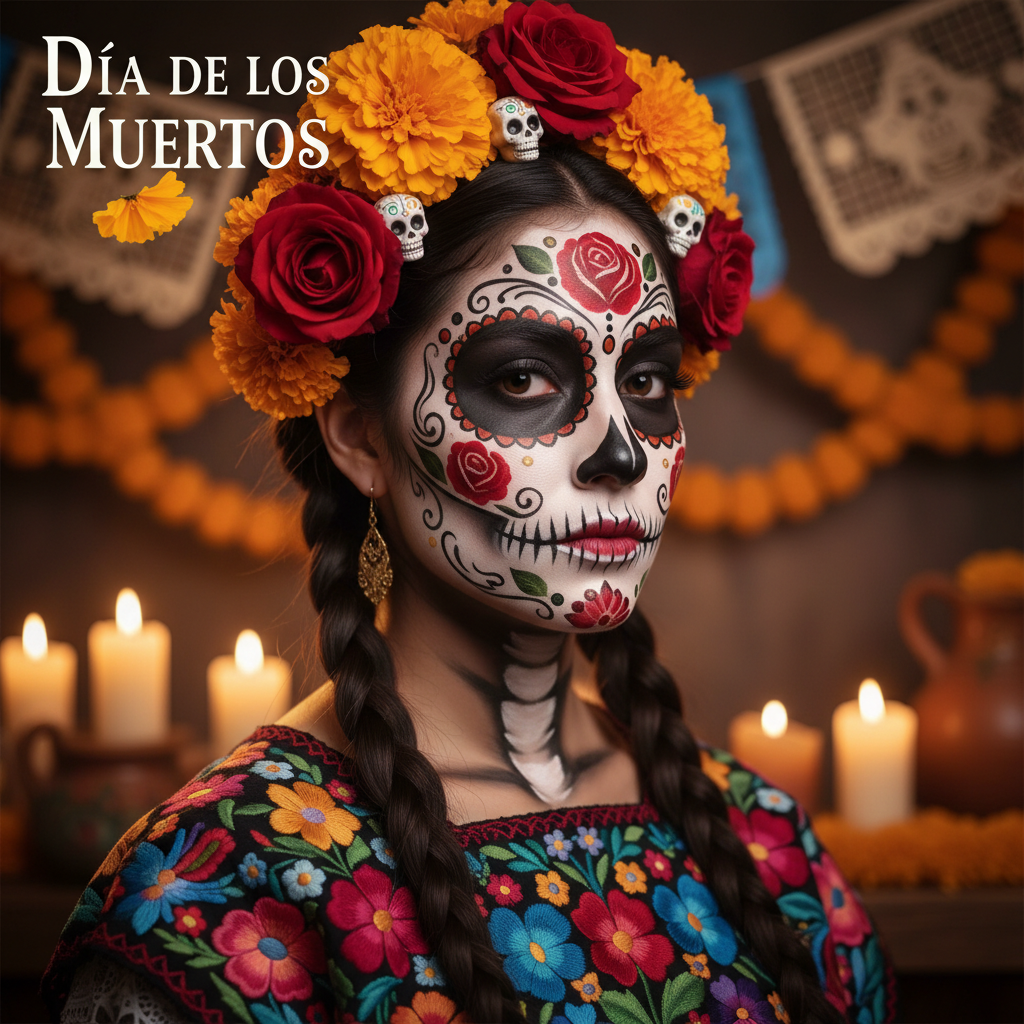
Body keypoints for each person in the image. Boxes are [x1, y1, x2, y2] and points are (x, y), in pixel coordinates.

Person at [43, 4, 895, 1023]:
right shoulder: (224, 883)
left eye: (648, 381)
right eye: (524, 377)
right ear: (361, 437)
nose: (622, 452)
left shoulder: (764, 845)